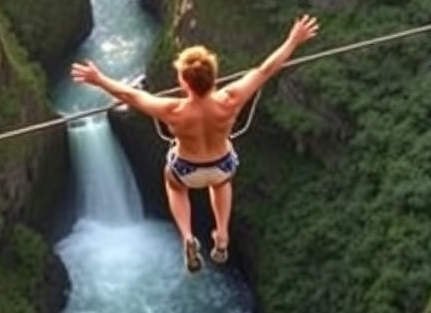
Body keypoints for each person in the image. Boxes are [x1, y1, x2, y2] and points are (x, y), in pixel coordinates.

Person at [70, 14, 319, 273]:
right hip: (220, 164)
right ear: (213, 77)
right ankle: (221, 233)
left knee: (174, 186)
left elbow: (129, 95)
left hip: (186, 169)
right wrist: (293, 40)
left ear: (183, 82)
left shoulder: (173, 110)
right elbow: (266, 69)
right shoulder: (231, 99)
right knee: (221, 183)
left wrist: (98, 79)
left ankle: (188, 237)